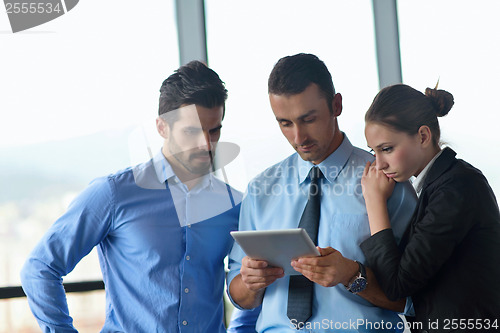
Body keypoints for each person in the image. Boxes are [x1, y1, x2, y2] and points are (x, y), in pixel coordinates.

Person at [20, 61, 242, 332]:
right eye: (192, 131)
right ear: (162, 127)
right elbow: (40, 268)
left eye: (214, 130)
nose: (206, 144)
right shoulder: (114, 194)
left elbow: (248, 286)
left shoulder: (233, 205)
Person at [227, 53, 418, 333]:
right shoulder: (260, 190)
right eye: (285, 123)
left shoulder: (388, 183)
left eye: (308, 119)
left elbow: (416, 299)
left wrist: (353, 275)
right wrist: (249, 282)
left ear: (336, 105)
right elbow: (238, 296)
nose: (298, 138)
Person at [360, 83, 500, 332]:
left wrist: (374, 201)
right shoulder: (439, 185)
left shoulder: (456, 188)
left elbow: (397, 286)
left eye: (387, 149)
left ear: (423, 136)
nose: (378, 164)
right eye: (374, 151)